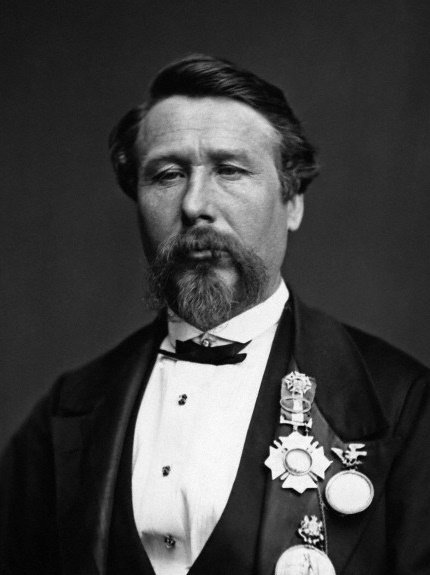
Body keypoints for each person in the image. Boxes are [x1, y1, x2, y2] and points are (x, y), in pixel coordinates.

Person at [1, 54, 429, 575]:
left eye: (230, 170)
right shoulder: (69, 411)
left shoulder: (403, 406)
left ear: (292, 201)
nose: (195, 205)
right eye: (168, 174)